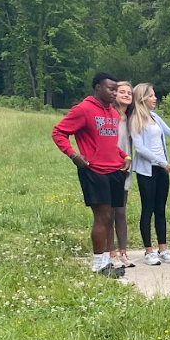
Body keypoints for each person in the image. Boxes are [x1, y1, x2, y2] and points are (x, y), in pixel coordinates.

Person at [52, 72, 131, 278]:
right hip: (94, 170)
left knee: (111, 216)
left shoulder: (114, 114)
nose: (115, 92)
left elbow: (110, 144)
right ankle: (97, 265)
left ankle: (106, 262)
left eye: (116, 89)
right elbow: (58, 132)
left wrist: (124, 156)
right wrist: (72, 155)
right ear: (97, 88)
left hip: (114, 170)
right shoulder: (83, 110)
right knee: (102, 217)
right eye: (110, 89)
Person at [129, 83, 170, 266]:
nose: (155, 99)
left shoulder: (155, 117)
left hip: (162, 170)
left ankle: (163, 248)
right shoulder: (135, 119)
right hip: (148, 170)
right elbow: (139, 148)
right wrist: (163, 162)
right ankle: (148, 251)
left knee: (161, 208)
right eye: (151, 96)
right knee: (148, 209)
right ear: (142, 98)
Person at [107, 81, 136, 269]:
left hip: (126, 167)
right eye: (122, 92)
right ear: (115, 94)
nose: (126, 95)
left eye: (129, 93)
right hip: (110, 166)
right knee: (108, 212)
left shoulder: (132, 117)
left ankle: (123, 252)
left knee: (121, 212)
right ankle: (111, 253)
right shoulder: (110, 114)